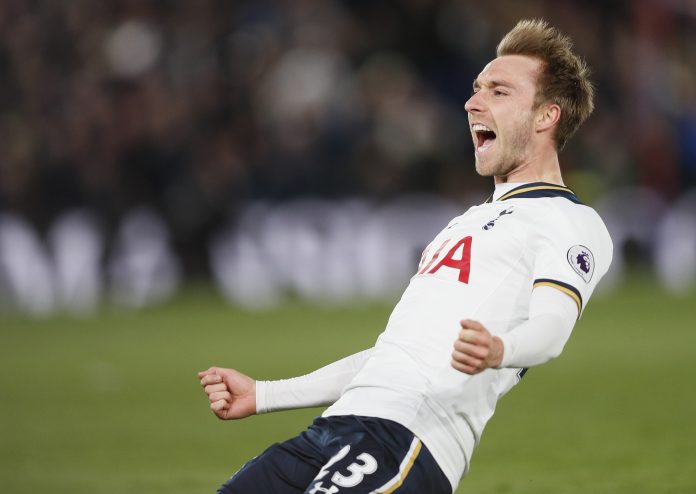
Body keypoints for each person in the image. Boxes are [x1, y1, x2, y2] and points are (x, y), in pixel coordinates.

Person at [198, 18, 613, 494]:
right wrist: (265, 394)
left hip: (407, 437)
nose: (472, 102)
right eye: (476, 89)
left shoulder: (568, 220)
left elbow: (551, 329)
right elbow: (393, 355)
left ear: (545, 117)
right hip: (330, 430)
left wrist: (501, 350)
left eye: (499, 92)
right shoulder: (463, 224)